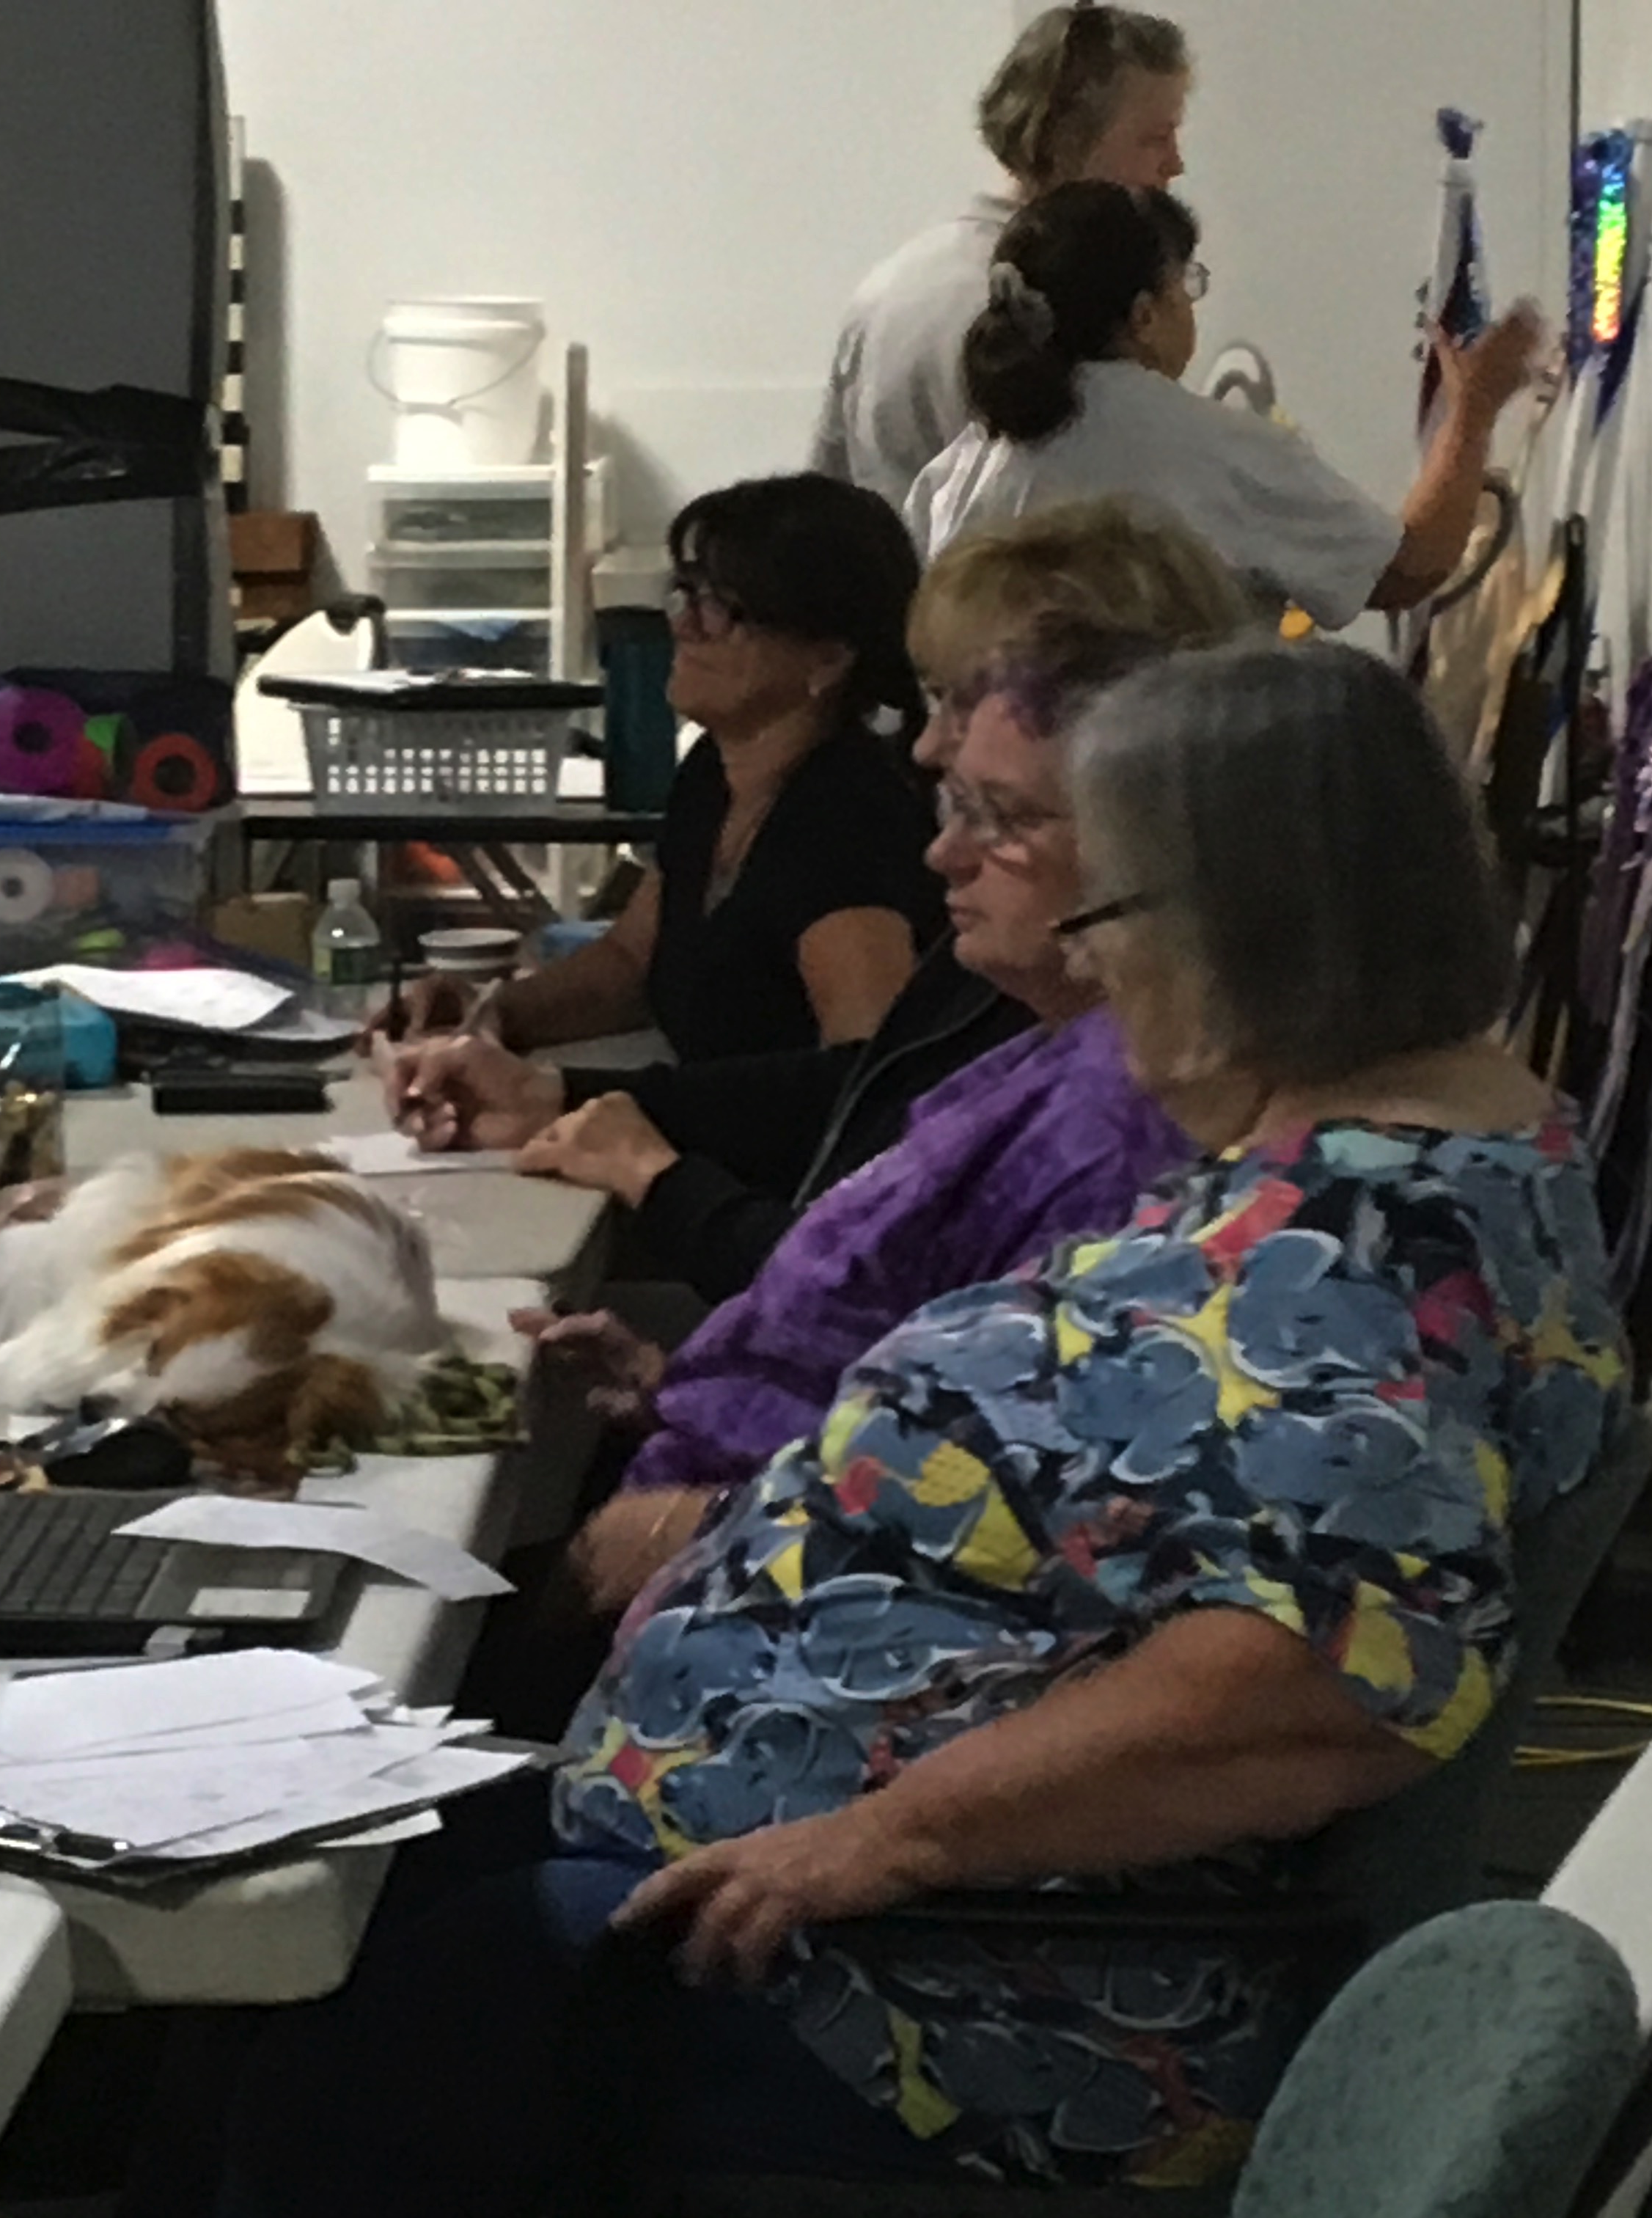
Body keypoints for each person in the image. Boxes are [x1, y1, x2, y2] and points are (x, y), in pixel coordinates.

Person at [210, 640, 1630, 2212]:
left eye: (1106, 923)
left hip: (955, 2000)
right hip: (847, 1893)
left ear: (1240, 928)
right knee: (325, 1866)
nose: (1095, 975)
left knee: (305, 2031)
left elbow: (1326, 1676)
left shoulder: (1344, 1253)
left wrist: (886, 1841)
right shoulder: (1438, 1151)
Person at [474, 501, 1241, 1736]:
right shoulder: (1038, 1030)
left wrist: (722, 1506)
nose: (926, 757)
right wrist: (698, 1380)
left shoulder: (1121, 1122)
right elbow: (919, 1365)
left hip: (759, 1644)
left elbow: (1008, 1509)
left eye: (993, 800)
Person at [379, 473, 941, 1064]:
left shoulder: (847, 826)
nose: (682, 624)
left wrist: (571, 1097)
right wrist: (487, 1014)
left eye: (721, 609)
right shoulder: (715, 774)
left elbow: (865, 1073)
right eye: (687, 594)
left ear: (828, 657)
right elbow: (628, 964)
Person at [906, 181, 1543, 629]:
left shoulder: (961, 470)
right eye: (1185, 284)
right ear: (1144, 316)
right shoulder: (1202, 446)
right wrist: (1472, 412)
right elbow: (1406, 568)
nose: (1192, 304)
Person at [812, 4, 1191, 512]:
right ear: (1063, 139)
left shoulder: (888, 287)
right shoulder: (1066, 306)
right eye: (1155, 139)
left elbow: (827, 496)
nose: (1175, 164)